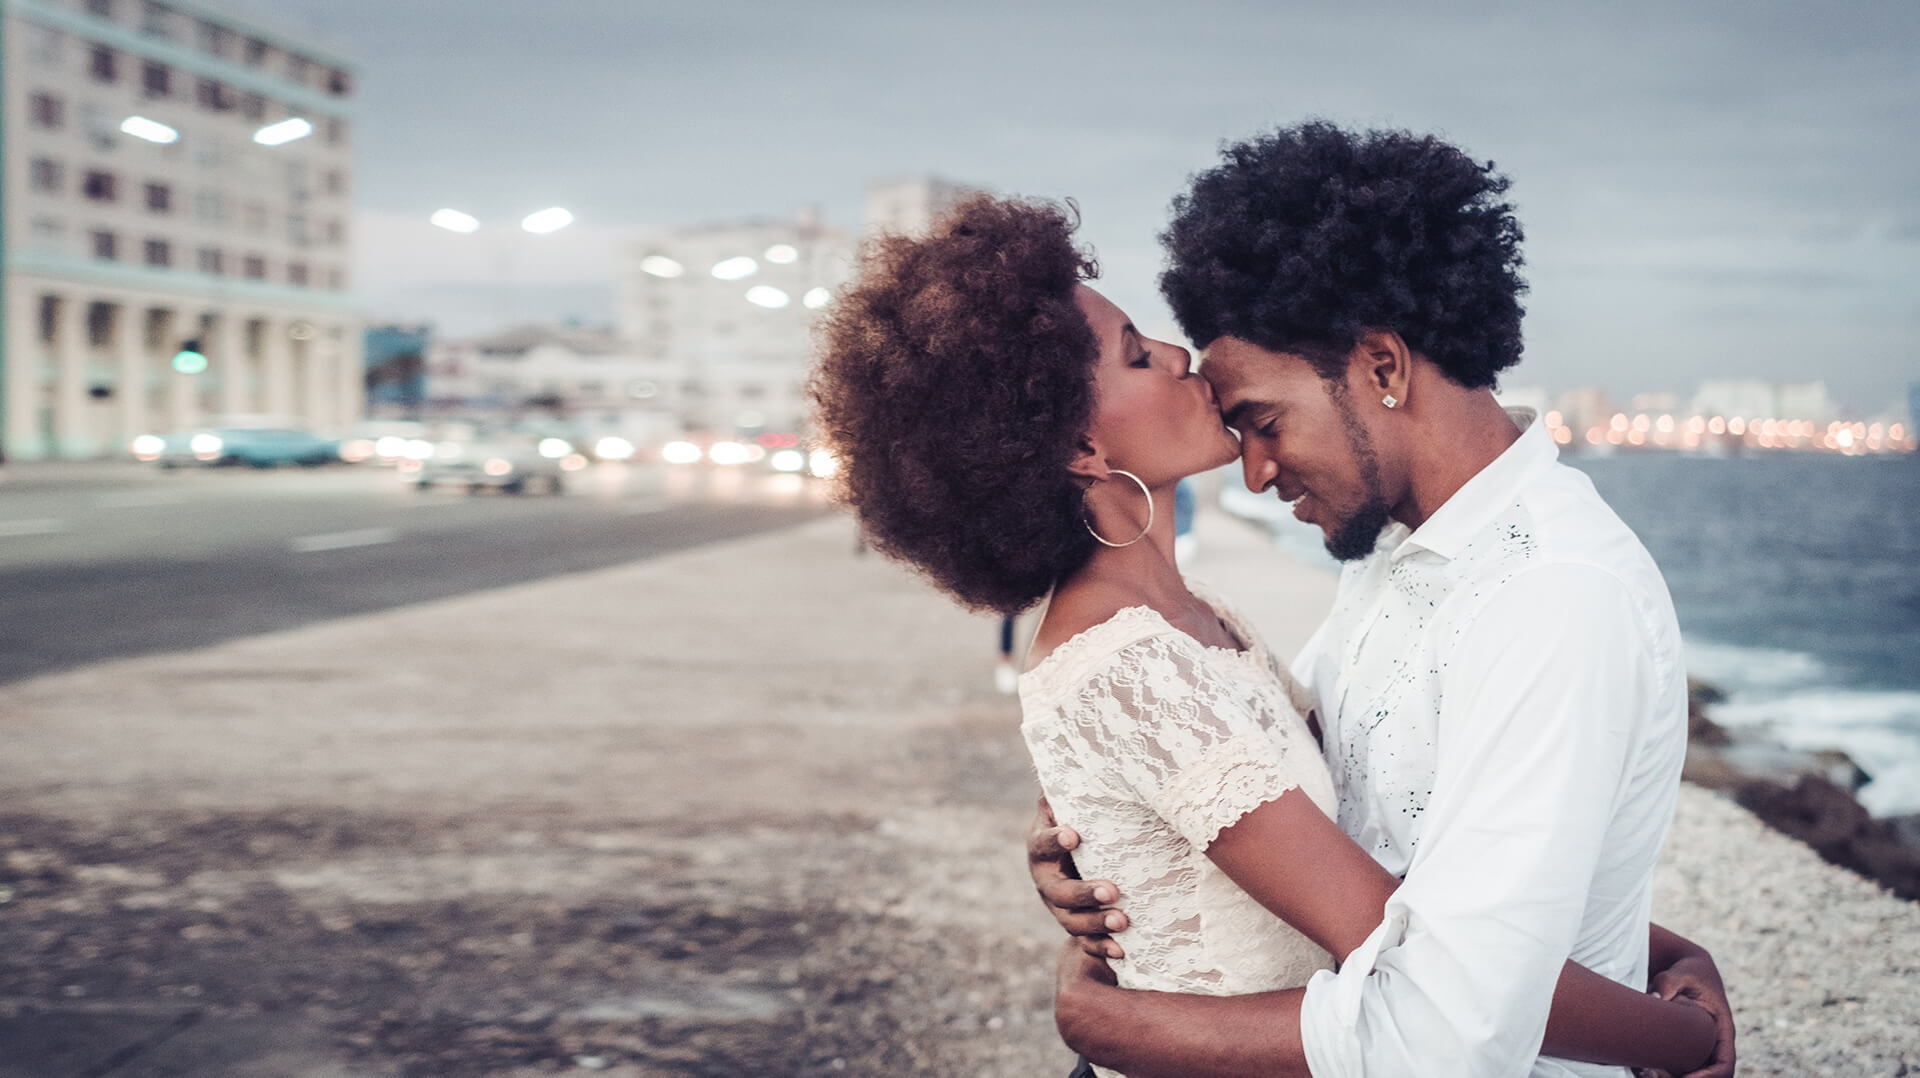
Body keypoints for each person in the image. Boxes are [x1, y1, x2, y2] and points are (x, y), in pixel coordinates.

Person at [810, 190, 1723, 1078]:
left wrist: (1118, 1016)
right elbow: (1377, 850)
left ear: (1384, 369)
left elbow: (1444, 971)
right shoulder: (1379, 560)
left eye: (1265, 421)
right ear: (1078, 449)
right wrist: (1112, 863)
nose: (1252, 471)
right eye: (1138, 356)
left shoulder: (1542, 593)